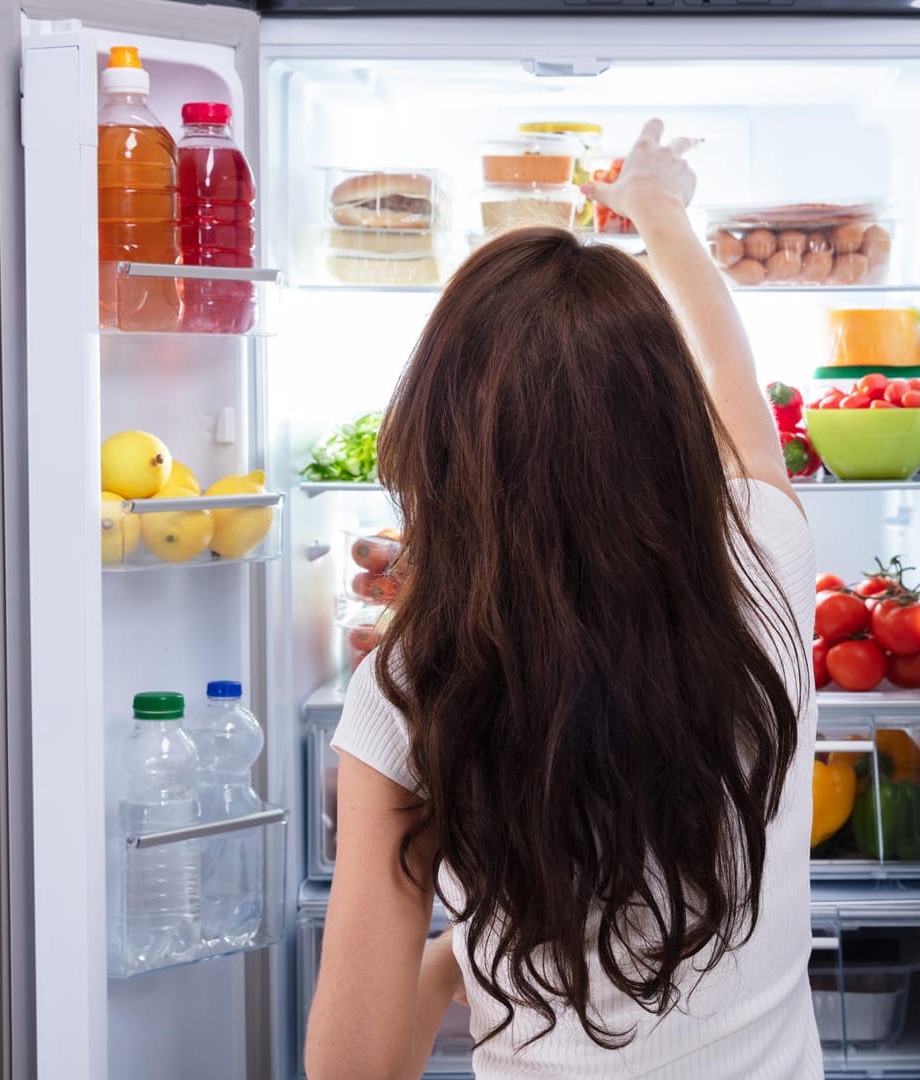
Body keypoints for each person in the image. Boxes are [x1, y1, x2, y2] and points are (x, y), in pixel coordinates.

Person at [306, 120, 821, 1080]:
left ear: (444, 443)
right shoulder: (771, 565)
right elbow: (735, 381)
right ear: (673, 430)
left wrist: (446, 964)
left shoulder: (409, 688)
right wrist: (660, 212)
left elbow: (352, 1069)